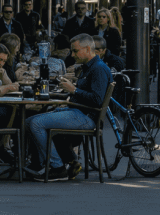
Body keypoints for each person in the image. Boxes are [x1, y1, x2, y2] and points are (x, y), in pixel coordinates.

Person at [25, 33, 113, 181]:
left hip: (87, 116)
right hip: (77, 111)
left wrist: (73, 90)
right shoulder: (89, 66)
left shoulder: (98, 68)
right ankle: (40, 164)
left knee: (36, 123)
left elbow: (97, 100)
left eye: (75, 51)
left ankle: (57, 167)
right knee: (29, 120)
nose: (72, 55)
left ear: (87, 49)